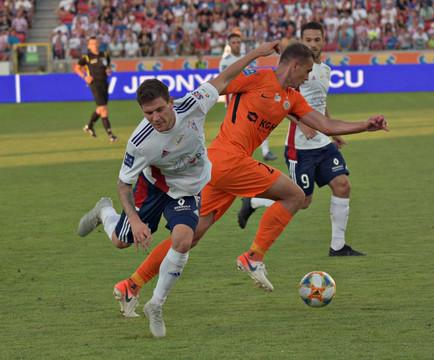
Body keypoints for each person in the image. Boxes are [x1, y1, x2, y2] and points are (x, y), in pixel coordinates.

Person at [111, 42, 388, 318]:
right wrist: (255, 54)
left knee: (190, 237)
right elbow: (224, 81)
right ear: (293, 65)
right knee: (295, 195)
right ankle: (254, 256)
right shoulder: (257, 78)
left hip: (217, 168)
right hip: (228, 159)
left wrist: (365, 125)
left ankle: (131, 285)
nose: (307, 76)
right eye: (306, 70)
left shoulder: (292, 97)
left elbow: (325, 125)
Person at [77, 41, 282, 338]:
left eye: (159, 109)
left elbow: (224, 77)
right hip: (154, 186)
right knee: (122, 241)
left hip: (187, 189)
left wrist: (259, 53)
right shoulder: (140, 141)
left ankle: (155, 304)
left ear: (171, 101)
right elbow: (124, 183)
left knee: (184, 240)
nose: (156, 118)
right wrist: (133, 220)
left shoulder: (194, 103)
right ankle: (104, 211)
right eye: (148, 113)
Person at [238, 21, 367, 256]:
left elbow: (320, 103)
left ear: (323, 40)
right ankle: (254, 202)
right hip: (300, 146)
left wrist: (332, 130)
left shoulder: (325, 70)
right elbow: (283, 101)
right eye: (308, 40)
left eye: (317, 40)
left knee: (342, 185)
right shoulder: (295, 68)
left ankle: (338, 246)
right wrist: (301, 124)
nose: (313, 44)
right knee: (303, 201)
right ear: (301, 41)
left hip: (323, 143)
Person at [219, 32, 278, 161]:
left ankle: (265, 152)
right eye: (233, 43)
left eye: (238, 42)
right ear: (229, 45)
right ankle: (235, 155)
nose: (236, 45)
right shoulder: (225, 61)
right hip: (235, 99)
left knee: (260, 123)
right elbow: (225, 81)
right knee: (239, 130)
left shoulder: (248, 58)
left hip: (250, 97)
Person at [74, 36, 118, 143]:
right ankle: (111, 135)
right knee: (104, 109)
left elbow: (109, 64)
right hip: (94, 84)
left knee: (100, 109)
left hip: (104, 83)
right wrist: (85, 77)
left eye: (96, 43)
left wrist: (108, 70)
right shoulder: (87, 57)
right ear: (89, 46)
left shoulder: (104, 55)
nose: (94, 45)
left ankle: (89, 126)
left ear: (98, 44)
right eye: (92, 44)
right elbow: (77, 68)